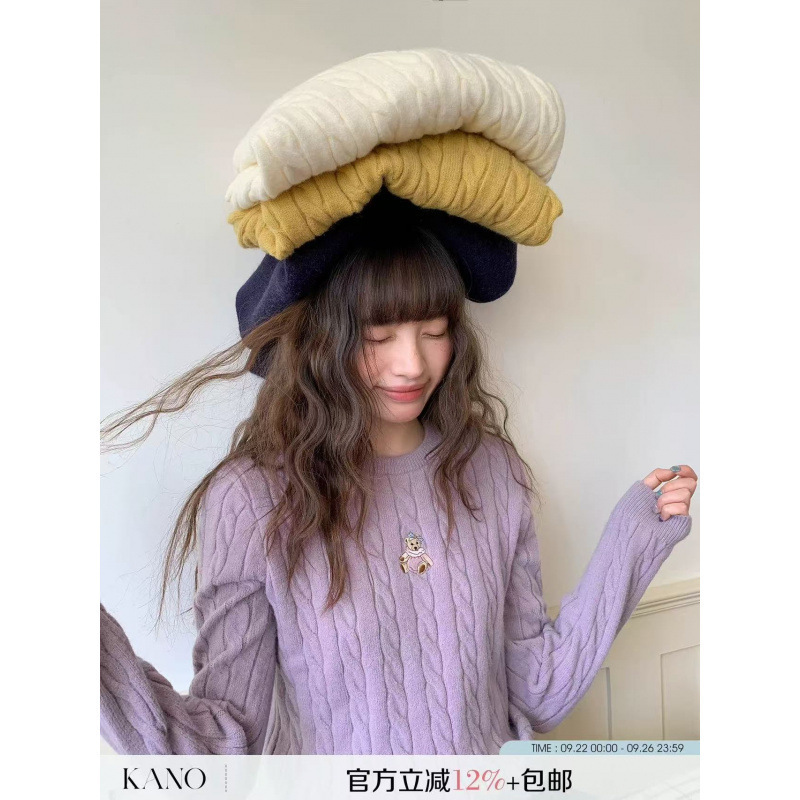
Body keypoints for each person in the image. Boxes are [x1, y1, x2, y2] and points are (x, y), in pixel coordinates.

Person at [100, 202, 698, 755]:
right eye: (377, 337)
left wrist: (632, 541)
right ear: (320, 342)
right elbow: (225, 744)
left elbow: (538, 693)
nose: (412, 364)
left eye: (434, 331)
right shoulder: (253, 498)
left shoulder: (492, 471)